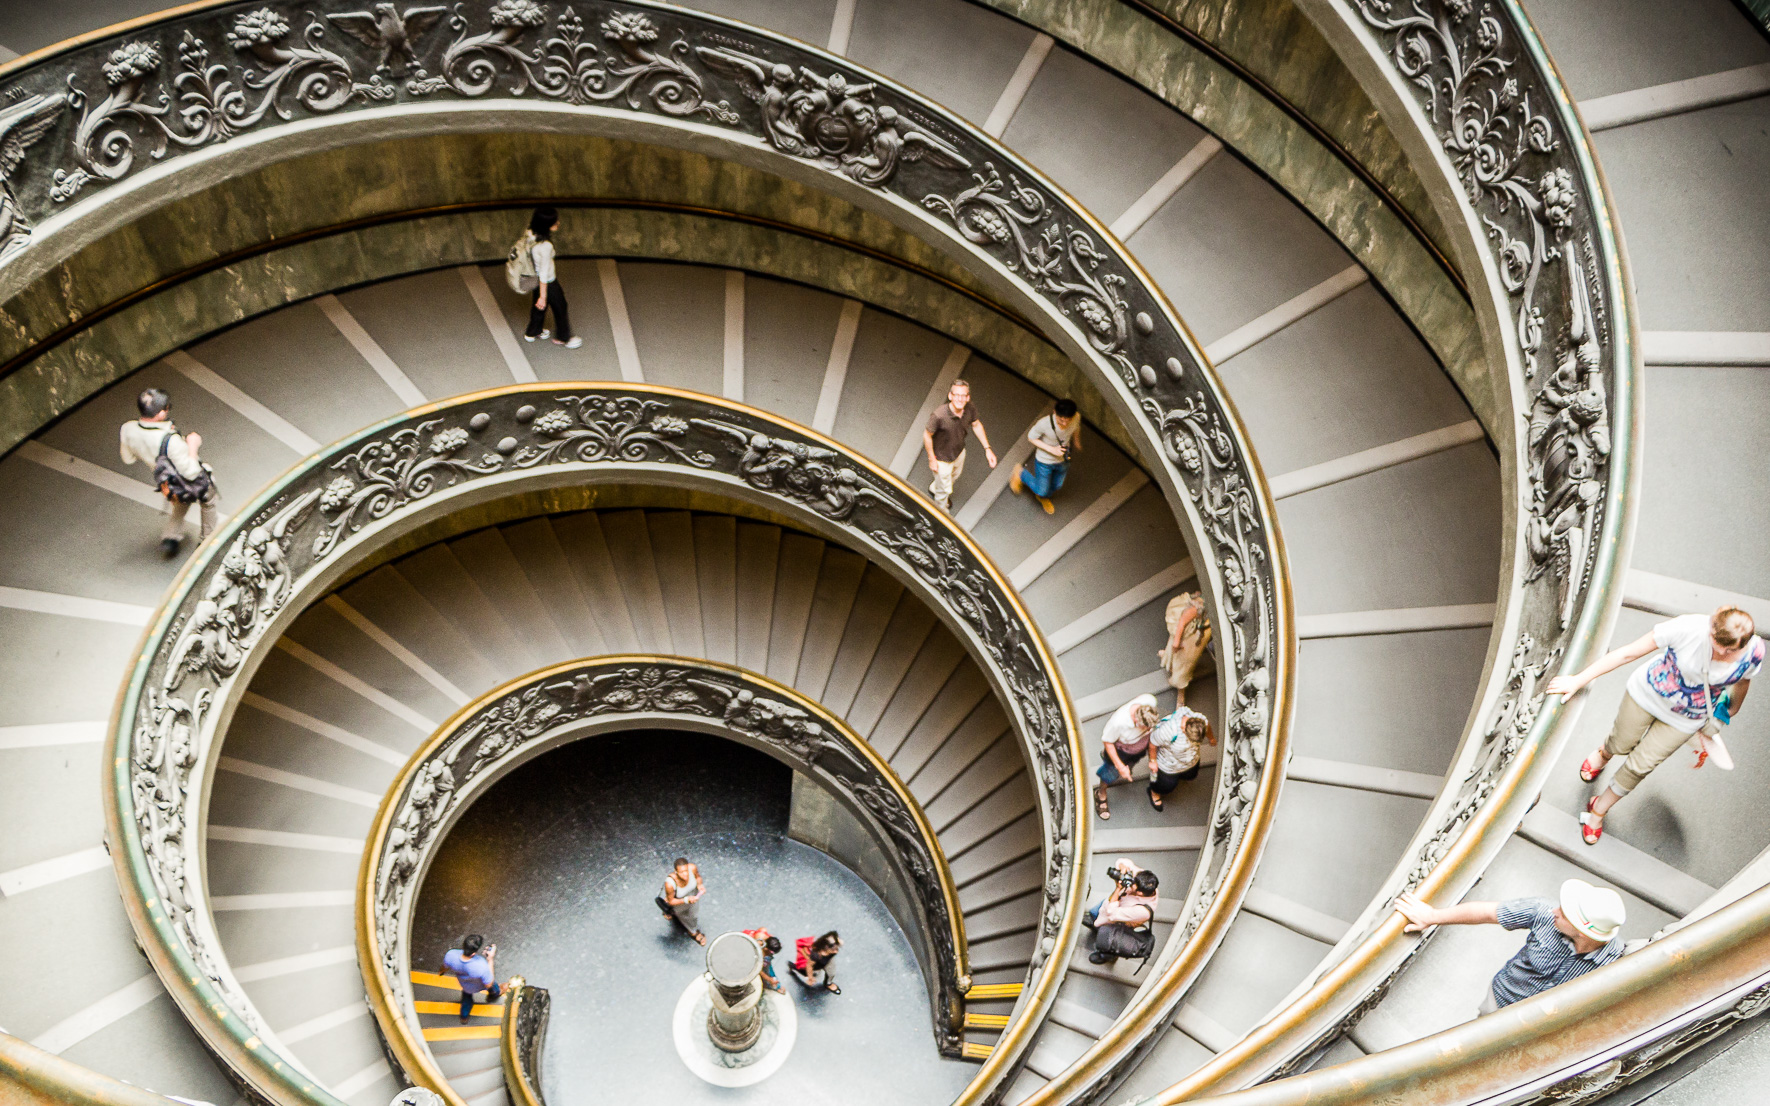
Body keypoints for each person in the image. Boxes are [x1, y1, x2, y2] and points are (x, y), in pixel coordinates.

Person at [1546, 606, 1762, 845]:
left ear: (1744, 645)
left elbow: (1743, 681)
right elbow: (1628, 653)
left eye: (1730, 650)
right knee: (1622, 741)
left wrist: (1729, 712)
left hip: (1687, 717)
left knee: (1640, 766)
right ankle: (1605, 753)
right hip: (1647, 695)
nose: (1720, 651)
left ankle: (1599, 809)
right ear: (1711, 625)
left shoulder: (1753, 653)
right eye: (1715, 642)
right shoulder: (1686, 628)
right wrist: (1578, 680)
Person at [1393, 879, 1626, 1013]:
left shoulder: (1616, 961)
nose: (1555, 911)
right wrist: (1432, 916)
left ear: (1581, 930)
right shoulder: (1542, 911)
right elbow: (1486, 913)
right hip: (1501, 999)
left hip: (1542, 1024)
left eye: (1564, 914)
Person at [118, 388, 220, 558]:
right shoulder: (170, 441)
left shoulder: (128, 429)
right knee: (208, 501)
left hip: (166, 482)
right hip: (187, 479)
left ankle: (171, 537)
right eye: (167, 407)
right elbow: (191, 472)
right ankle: (207, 541)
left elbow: (128, 458)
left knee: (180, 502)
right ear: (159, 414)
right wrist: (193, 444)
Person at [922, 379, 996, 512]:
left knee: (954, 476)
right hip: (941, 459)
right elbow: (927, 435)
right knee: (943, 492)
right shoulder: (939, 415)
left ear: (968, 397)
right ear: (950, 396)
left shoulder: (970, 408)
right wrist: (931, 459)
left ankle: (935, 487)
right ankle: (942, 512)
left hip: (958, 452)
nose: (960, 399)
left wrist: (987, 449)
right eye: (956, 395)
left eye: (963, 396)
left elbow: (976, 425)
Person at [522, 206, 582, 349]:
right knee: (560, 306)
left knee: (538, 307)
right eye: (555, 222)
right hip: (547, 281)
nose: (558, 223)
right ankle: (563, 337)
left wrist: (541, 297)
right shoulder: (545, 246)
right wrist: (543, 295)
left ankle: (533, 332)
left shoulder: (529, 233)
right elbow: (544, 272)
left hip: (534, 278)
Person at [1094, 693, 1160, 820]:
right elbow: (1108, 741)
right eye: (1145, 727)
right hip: (1122, 750)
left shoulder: (1149, 700)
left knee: (1130, 764)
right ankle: (1101, 794)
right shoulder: (1119, 723)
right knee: (1110, 774)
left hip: (1138, 748)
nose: (1148, 729)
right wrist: (1120, 767)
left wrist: (1152, 757)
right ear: (1136, 720)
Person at [1009, 399, 1081, 515]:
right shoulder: (1044, 424)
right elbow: (1031, 437)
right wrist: (1052, 450)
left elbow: (1076, 426)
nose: (1064, 424)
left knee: (1057, 485)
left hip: (1063, 459)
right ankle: (1020, 473)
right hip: (1045, 461)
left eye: (1068, 420)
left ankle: (1044, 495)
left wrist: (1076, 440)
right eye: (1061, 420)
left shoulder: (1076, 417)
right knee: (1041, 490)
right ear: (1054, 413)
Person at [1086, 859, 1159, 965]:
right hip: (1110, 903)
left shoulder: (1142, 911)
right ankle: (1094, 924)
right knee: (1094, 913)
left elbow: (1111, 913)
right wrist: (1123, 867)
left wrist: (1117, 889)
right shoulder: (1143, 880)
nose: (1130, 885)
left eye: (1133, 886)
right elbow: (1125, 862)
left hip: (1116, 920)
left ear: (1140, 893)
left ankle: (1106, 955)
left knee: (1107, 939)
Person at [1146, 705, 1213, 812]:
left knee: (1191, 775)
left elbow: (1207, 725)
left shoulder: (1200, 720)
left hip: (1191, 761)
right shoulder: (1168, 731)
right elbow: (1153, 743)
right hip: (1169, 766)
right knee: (1167, 786)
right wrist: (1153, 761)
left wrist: (1211, 738)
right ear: (1184, 729)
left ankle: (1182, 775)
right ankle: (1154, 792)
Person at [1158, 591, 1212, 692]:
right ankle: (1180, 687)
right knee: (1183, 666)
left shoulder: (1202, 605)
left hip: (1194, 633)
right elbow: (1183, 621)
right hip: (1188, 637)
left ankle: (1170, 661)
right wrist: (1177, 643)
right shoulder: (1198, 608)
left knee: (1180, 658)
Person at [440, 934, 500, 1024]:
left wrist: (441, 972)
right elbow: (489, 984)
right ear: (473, 953)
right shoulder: (481, 965)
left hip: (465, 986)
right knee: (494, 988)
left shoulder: (450, 955)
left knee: (466, 999)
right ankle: (493, 995)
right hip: (480, 985)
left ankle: (464, 1017)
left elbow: (444, 968)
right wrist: (490, 959)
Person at [656, 856, 707, 945]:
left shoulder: (692, 868)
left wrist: (700, 885)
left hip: (693, 898)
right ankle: (693, 932)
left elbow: (698, 877)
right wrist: (686, 900)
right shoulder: (669, 883)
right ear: (676, 872)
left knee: (693, 915)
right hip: (680, 903)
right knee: (686, 917)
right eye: (681, 872)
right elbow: (671, 900)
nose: (685, 875)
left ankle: (670, 914)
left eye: (686, 871)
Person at [744, 928, 786, 994]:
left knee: (767, 964)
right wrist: (769, 979)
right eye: (771, 953)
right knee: (764, 969)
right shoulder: (757, 953)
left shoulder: (764, 935)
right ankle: (767, 985)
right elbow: (757, 970)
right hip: (747, 956)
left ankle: (775, 984)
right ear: (766, 949)